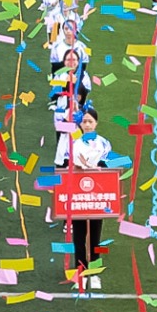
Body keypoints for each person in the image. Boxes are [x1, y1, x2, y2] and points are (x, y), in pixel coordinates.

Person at [63, 106, 123, 285]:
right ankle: (80, 273)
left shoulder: (104, 143)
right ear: (80, 124)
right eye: (84, 121)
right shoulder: (73, 143)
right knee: (79, 236)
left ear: (96, 123)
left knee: (95, 236)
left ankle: (95, 273)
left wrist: (97, 169)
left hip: (98, 196)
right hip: (79, 196)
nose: (87, 125)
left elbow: (109, 165)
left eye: (90, 121)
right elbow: (65, 165)